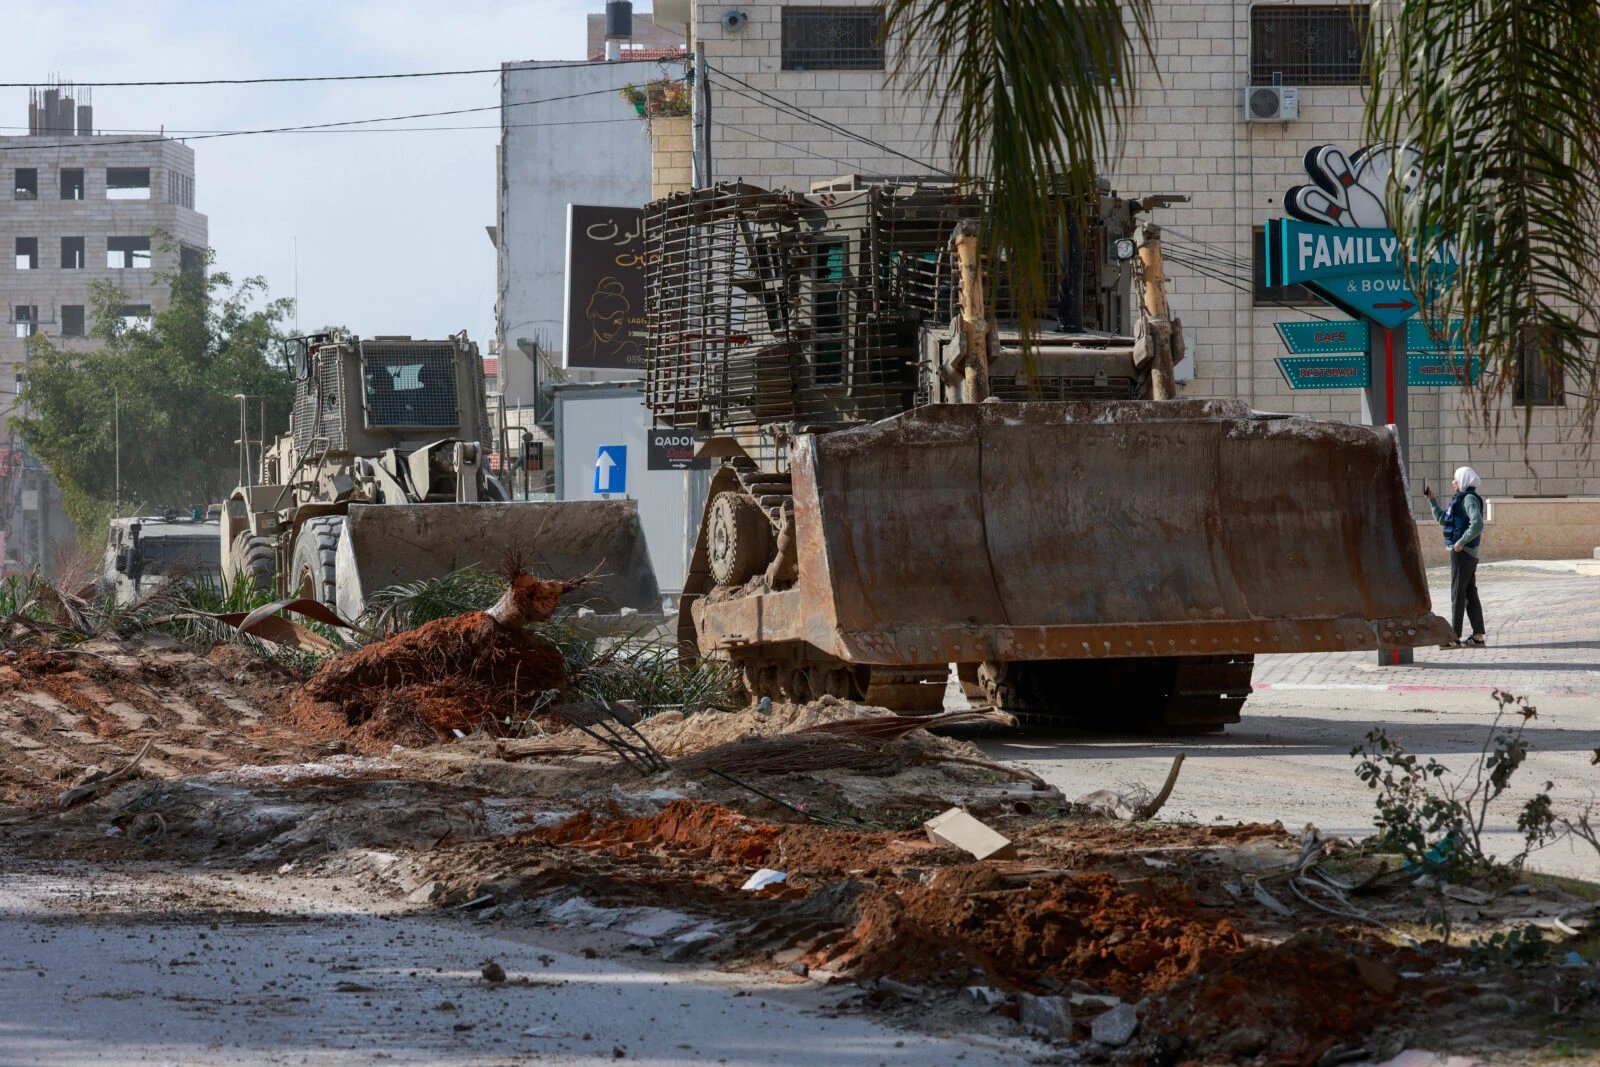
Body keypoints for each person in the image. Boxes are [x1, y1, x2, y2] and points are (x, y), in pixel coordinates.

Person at [1424, 466, 1486, 649]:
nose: (1452, 482)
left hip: (1463, 553)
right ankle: (1477, 636)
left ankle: (1454, 637)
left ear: (1463, 481)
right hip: (1466, 553)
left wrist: (1460, 542)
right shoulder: (1461, 500)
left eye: (1455, 479)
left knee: (1458, 594)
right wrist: (1432, 501)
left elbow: (1478, 524)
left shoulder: (1468, 499)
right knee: (1469, 593)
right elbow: (1445, 520)